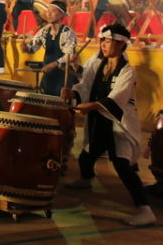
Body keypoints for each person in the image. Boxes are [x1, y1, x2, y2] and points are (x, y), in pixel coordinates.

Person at [62, 24, 155, 226]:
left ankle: (145, 210)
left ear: (121, 44)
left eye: (109, 41)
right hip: (99, 119)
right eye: (103, 41)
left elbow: (116, 99)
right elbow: (84, 85)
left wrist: (92, 105)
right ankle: (86, 179)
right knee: (87, 156)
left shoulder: (127, 71)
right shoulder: (97, 65)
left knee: (121, 164)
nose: (104, 45)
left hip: (118, 122)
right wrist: (74, 94)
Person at [22, 0, 77, 96]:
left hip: (62, 77)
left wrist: (53, 64)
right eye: (48, 11)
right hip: (48, 76)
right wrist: (26, 48)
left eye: (53, 11)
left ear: (61, 14)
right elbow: (33, 48)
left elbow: (70, 56)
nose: (49, 14)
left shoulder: (67, 32)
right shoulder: (44, 31)